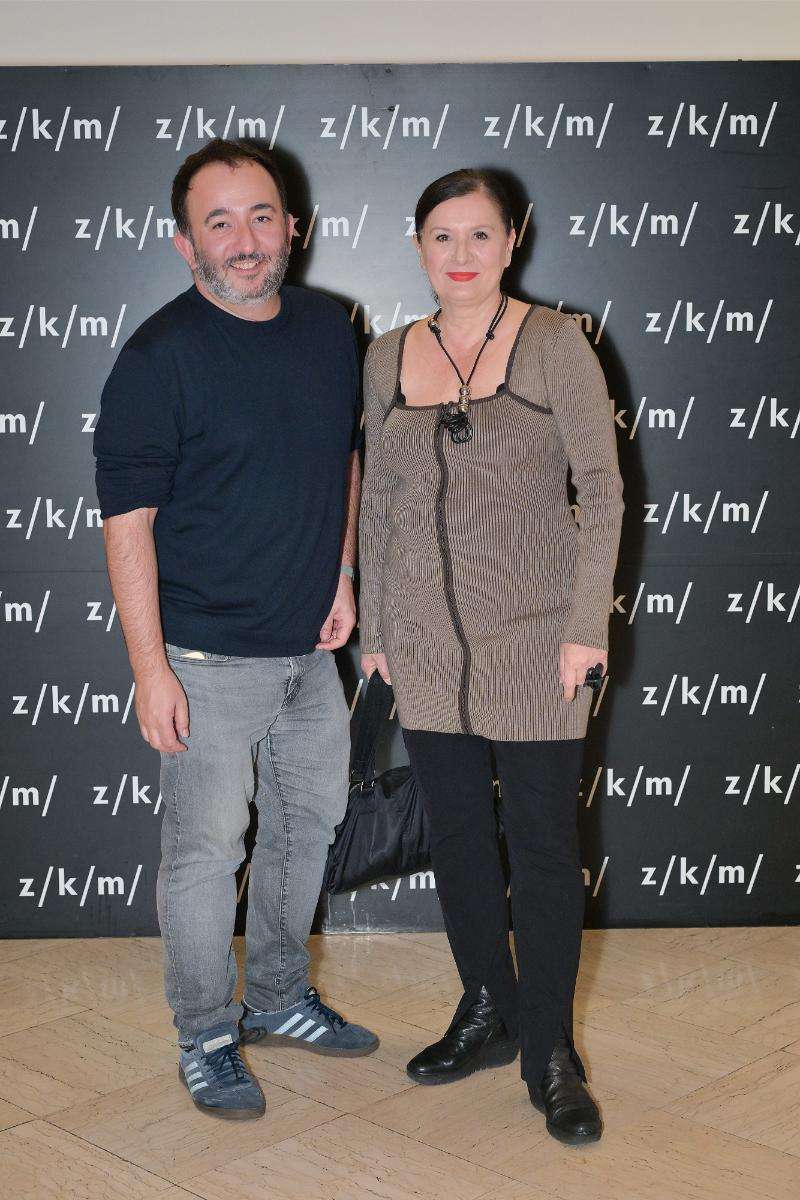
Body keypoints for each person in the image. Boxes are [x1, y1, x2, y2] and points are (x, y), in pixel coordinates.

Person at [94, 137, 378, 1121]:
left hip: (309, 653)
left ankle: (280, 997)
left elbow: (343, 456)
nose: (245, 239)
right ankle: (207, 1033)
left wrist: (342, 571)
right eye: (219, 222)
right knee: (205, 856)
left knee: (310, 829)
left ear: (292, 226)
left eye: (261, 216)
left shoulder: (330, 329)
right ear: (186, 245)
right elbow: (126, 524)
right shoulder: (157, 358)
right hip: (205, 661)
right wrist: (150, 670)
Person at [358, 168, 624, 1145]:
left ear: (512, 240)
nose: (460, 254)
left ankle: (549, 1049)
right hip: (424, 649)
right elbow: (377, 506)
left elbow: (602, 489)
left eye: (479, 234)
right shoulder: (387, 356)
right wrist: (377, 634)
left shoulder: (555, 344)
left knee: (546, 852)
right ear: (418, 246)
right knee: (460, 841)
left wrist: (585, 626)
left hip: (538, 645)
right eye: (442, 235)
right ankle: (485, 1005)